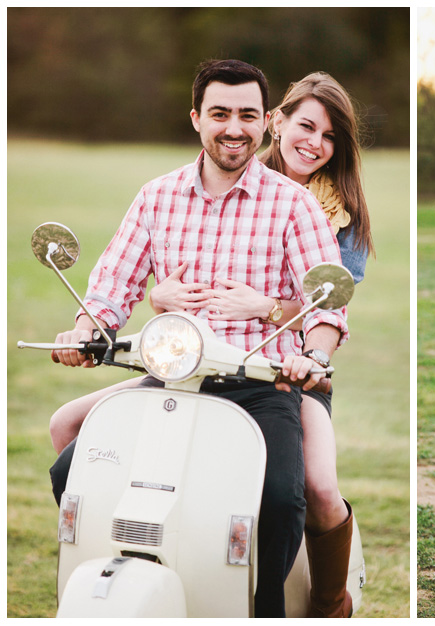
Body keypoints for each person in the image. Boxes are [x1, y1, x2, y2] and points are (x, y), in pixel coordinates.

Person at [49, 59, 347, 618]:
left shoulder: (294, 204)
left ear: (265, 124)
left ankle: (265, 610)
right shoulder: (156, 197)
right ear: (196, 119)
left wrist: (314, 353)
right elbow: (111, 285)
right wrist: (86, 330)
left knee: (284, 498)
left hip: (263, 383)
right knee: (73, 471)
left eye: (247, 115)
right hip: (174, 377)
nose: (234, 128)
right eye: (220, 114)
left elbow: (325, 304)